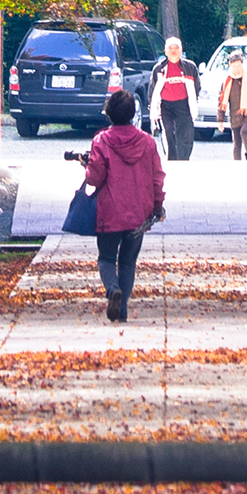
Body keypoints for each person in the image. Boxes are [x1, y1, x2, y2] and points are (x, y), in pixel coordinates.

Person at [79, 90, 165, 322]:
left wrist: (86, 166)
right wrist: (158, 206)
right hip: (139, 212)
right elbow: (157, 177)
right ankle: (122, 309)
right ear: (133, 114)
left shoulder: (102, 141)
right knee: (128, 261)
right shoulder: (147, 142)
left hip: (110, 211)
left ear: (109, 114)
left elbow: (94, 179)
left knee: (106, 258)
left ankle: (112, 290)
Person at [156, 44, 196, 160]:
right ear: (165, 51)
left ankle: (183, 159)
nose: (173, 51)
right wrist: (153, 108)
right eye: (170, 49)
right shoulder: (159, 68)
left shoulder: (189, 67)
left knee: (184, 134)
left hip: (184, 104)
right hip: (166, 106)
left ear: (181, 50)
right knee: (168, 130)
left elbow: (196, 86)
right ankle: (171, 159)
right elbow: (153, 89)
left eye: (176, 48)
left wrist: (192, 102)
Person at [220, 59, 247, 160]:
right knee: (237, 144)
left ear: (242, 65)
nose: (237, 69)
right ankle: (237, 165)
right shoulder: (227, 82)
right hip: (235, 116)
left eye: (239, 66)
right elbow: (221, 102)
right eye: (234, 66)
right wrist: (220, 120)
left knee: (244, 131)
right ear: (230, 66)